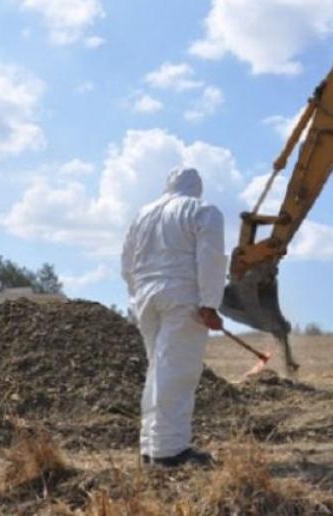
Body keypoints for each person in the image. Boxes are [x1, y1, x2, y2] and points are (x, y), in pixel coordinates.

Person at [121, 167, 227, 468]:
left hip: (145, 298)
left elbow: (127, 263)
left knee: (158, 371)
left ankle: (150, 447)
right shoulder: (203, 210)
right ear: (198, 187)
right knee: (177, 372)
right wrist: (209, 303)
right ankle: (170, 451)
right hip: (181, 296)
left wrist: (137, 295)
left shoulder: (142, 214)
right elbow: (210, 258)